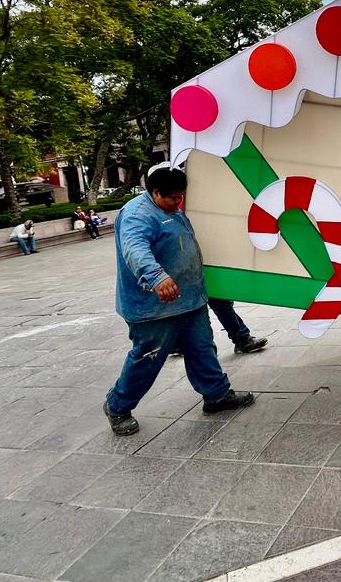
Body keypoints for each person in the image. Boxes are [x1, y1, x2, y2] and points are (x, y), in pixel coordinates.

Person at [104, 166, 253, 436]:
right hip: (154, 307)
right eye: (173, 198)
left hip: (189, 298)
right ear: (155, 192)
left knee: (202, 348)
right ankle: (117, 406)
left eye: (180, 196)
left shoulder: (172, 209)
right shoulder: (137, 216)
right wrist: (157, 277)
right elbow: (135, 249)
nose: (178, 202)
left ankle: (216, 394)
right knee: (147, 358)